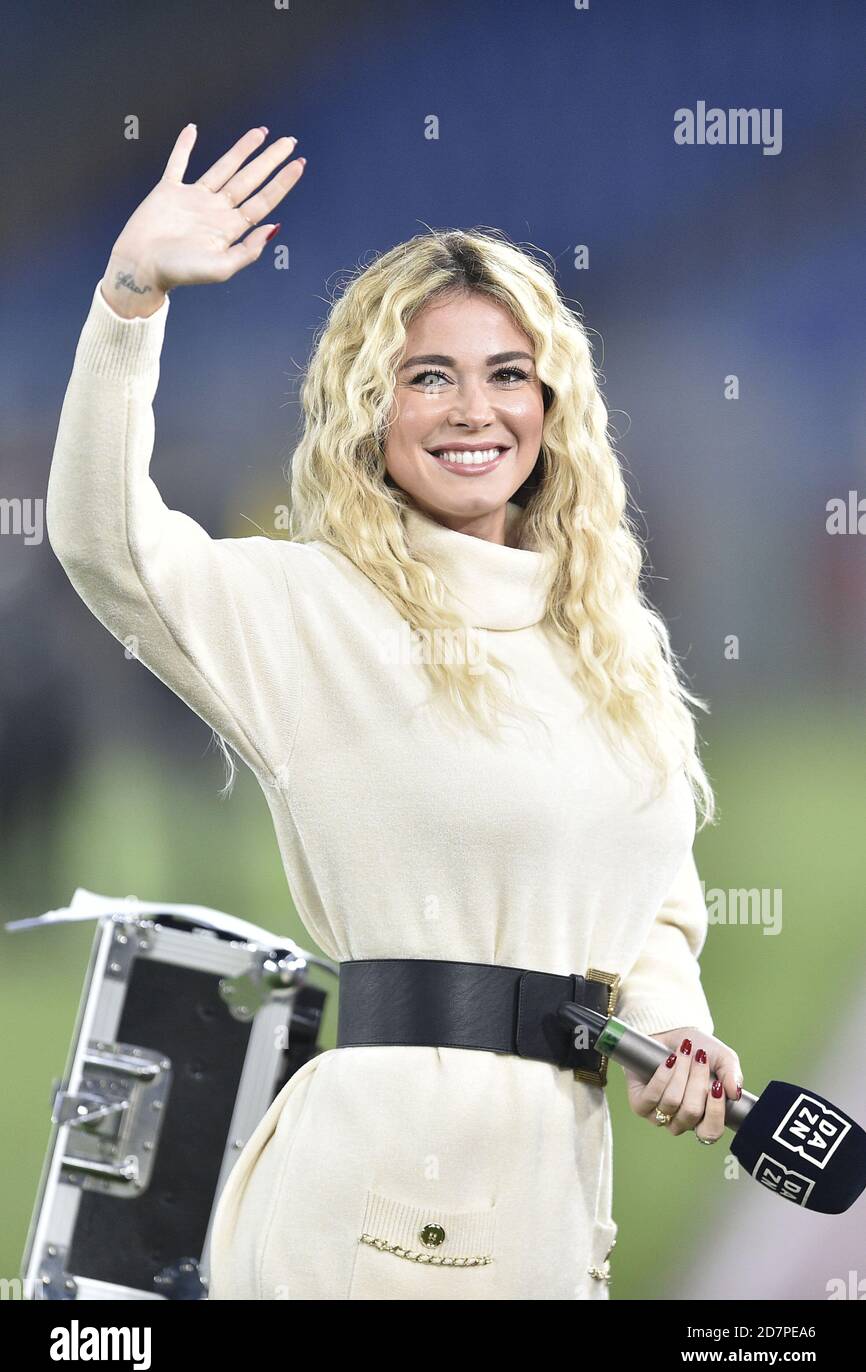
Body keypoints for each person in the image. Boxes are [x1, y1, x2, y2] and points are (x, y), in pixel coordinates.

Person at [46, 124, 743, 1301]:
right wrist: (130, 300)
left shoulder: (607, 633)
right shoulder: (314, 610)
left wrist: (672, 1032)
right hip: (368, 1210)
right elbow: (104, 541)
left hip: (550, 1197)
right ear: (372, 408)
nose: (474, 410)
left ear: (550, 403)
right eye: (429, 376)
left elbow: (651, 905)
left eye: (505, 374)